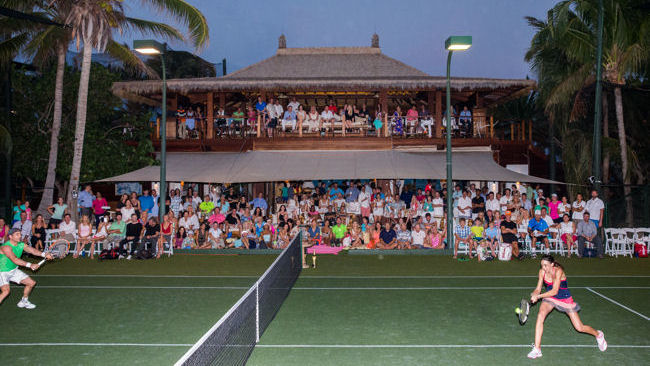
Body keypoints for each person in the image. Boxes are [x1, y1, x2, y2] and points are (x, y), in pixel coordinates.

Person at [527, 255, 607, 359]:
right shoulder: (542, 272)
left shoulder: (558, 271)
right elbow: (538, 288)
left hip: (564, 299)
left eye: (546, 265)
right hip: (550, 298)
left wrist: (539, 296)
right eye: (542, 265)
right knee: (540, 315)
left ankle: (598, 334)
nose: (544, 268)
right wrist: (535, 293)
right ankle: (537, 349)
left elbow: (555, 291)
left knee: (579, 327)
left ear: (552, 264)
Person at [0, 228, 53, 309]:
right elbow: (15, 259)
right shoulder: (6, 247)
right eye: (17, 234)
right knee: (6, 291)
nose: (20, 236)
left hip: (13, 270)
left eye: (20, 234)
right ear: (10, 236)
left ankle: (24, 301)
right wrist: (30, 265)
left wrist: (44, 254)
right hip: (2, 272)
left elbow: (32, 250)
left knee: (31, 283)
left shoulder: (21, 244)